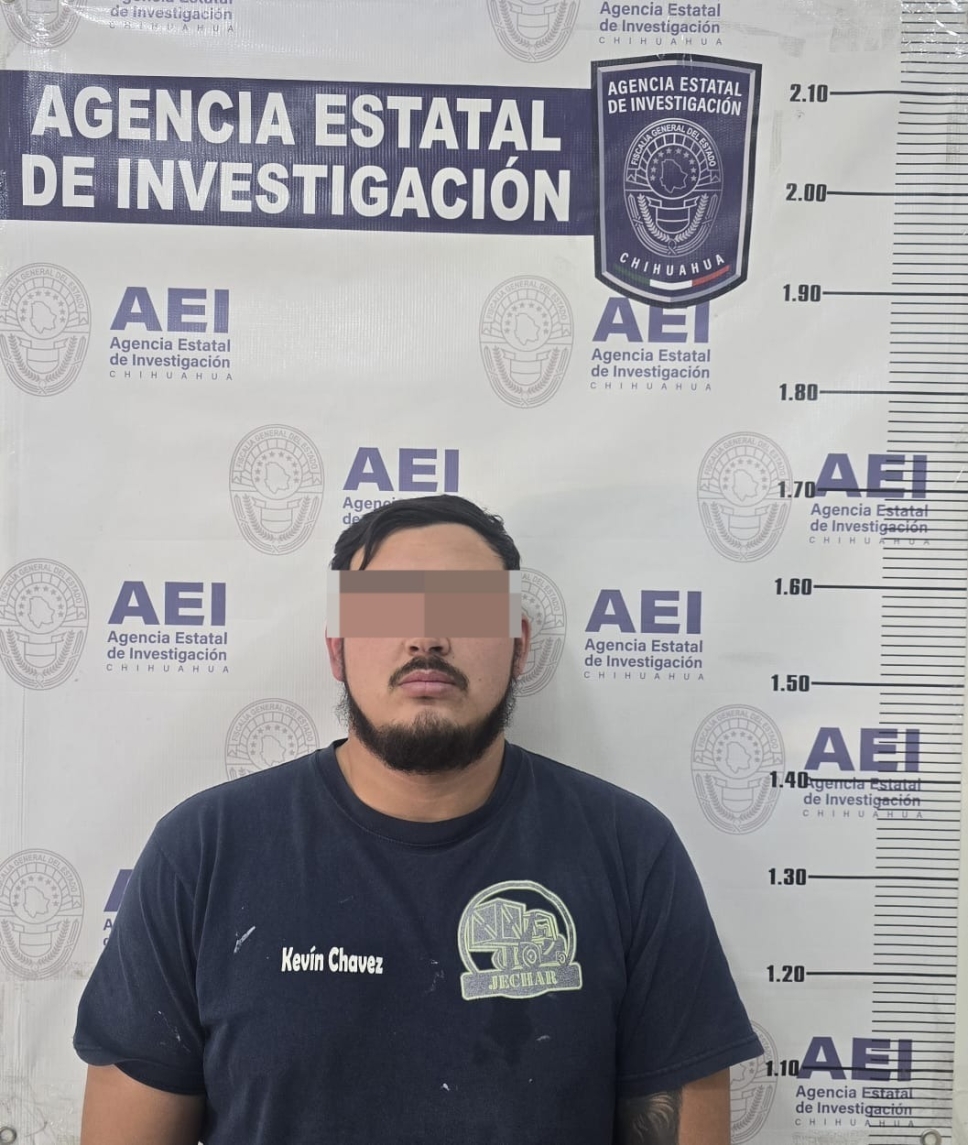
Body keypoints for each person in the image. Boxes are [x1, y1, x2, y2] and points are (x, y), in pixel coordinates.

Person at [74, 494, 763, 1145]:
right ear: (338, 646)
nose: (426, 636)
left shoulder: (630, 852)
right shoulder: (204, 852)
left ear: (519, 643)